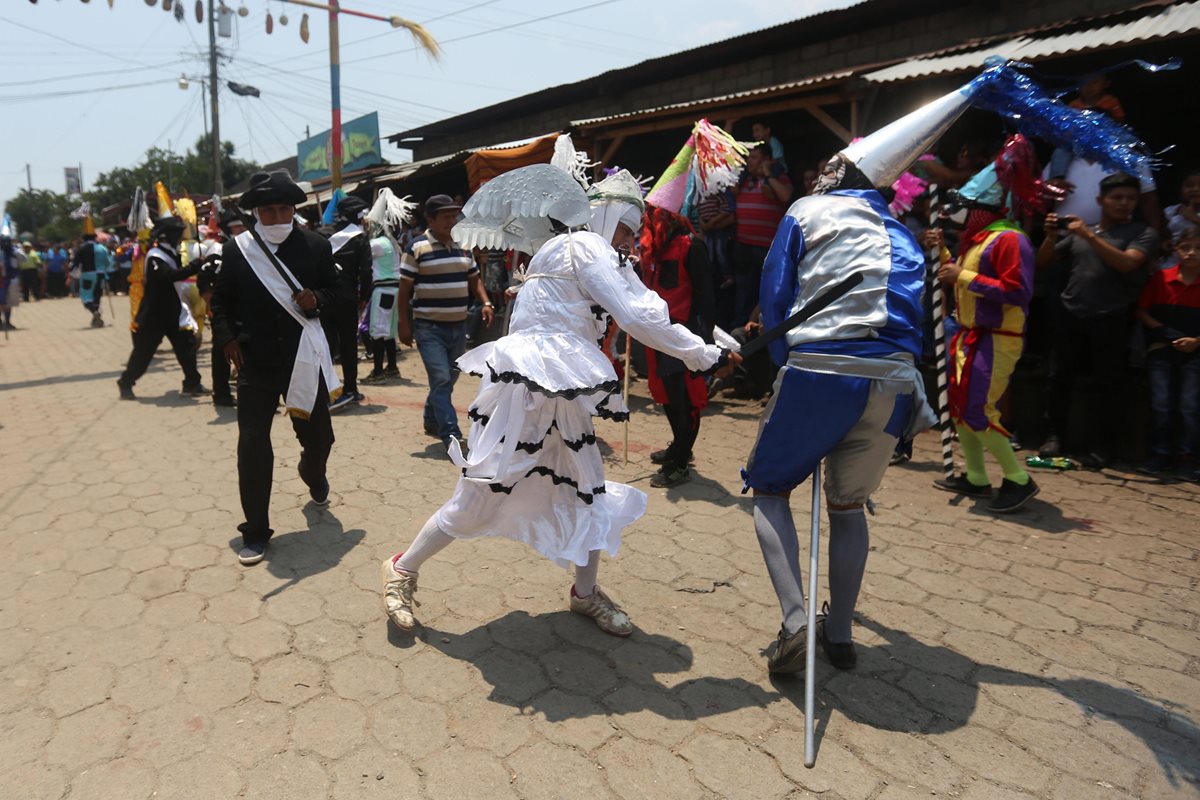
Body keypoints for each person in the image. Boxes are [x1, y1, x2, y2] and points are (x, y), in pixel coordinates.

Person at [380, 164, 736, 637]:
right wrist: (701, 354)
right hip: (526, 394)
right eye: (628, 229)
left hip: (559, 393)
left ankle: (584, 594)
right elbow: (636, 313)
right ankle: (401, 569)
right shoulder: (585, 245)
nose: (631, 242)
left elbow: (633, 308)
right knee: (481, 494)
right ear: (607, 216)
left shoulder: (571, 246)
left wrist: (702, 344)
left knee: (585, 489)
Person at [210, 170, 342, 565]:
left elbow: (342, 294)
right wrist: (227, 339)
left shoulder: (317, 247)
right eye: (268, 210)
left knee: (320, 440)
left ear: (294, 210)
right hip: (256, 361)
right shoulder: (238, 250)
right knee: (252, 444)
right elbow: (220, 304)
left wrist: (315, 298)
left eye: (284, 209)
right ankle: (255, 530)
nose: (277, 217)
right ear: (256, 213)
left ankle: (313, 473)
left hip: (304, 359)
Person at [931, 135, 1043, 512]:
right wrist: (941, 251)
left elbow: (1017, 292)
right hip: (968, 336)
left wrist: (960, 275)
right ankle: (977, 478)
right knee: (963, 410)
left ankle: (1018, 479)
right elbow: (959, 272)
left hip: (996, 338)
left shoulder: (1011, 240)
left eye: (965, 205)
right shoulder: (978, 241)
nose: (957, 211)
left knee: (979, 411)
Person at [1037, 172, 1159, 468]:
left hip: (1111, 317)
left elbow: (1128, 263)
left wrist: (1089, 236)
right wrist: (1051, 238)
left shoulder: (1142, 233)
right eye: (1116, 198)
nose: (1124, 203)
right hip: (1071, 313)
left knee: (1109, 383)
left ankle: (1103, 446)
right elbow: (1042, 262)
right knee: (1059, 377)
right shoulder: (1082, 232)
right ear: (1100, 200)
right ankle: (1053, 436)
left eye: (1130, 198)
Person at [398, 194, 494, 448]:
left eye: (454, 216)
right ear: (431, 219)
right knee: (441, 378)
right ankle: (449, 432)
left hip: (458, 325)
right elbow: (404, 289)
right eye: (446, 216)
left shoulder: (463, 246)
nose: (452, 221)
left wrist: (485, 302)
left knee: (449, 377)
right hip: (428, 327)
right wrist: (403, 324)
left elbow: (474, 278)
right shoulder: (416, 247)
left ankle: (431, 416)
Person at [640, 203, 717, 488]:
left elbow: (706, 295)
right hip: (659, 332)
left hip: (685, 335)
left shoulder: (691, 245)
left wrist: (704, 341)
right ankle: (679, 446)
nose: (650, 220)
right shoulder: (656, 248)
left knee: (686, 397)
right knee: (666, 394)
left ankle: (682, 461)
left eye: (654, 215)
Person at [116, 214, 209, 400]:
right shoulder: (155, 256)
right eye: (177, 233)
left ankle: (192, 382)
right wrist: (194, 267)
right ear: (168, 236)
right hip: (154, 315)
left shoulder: (171, 253)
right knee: (143, 353)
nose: (181, 237)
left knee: (187, 348)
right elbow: (168, 276)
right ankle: (126, 382)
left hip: (174, 312)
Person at [1135, 226, 1200, 480]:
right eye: (1186, 247)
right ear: (1176, 249)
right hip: (1161, 348)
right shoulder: (1162, 278)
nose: (1192, 253)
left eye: (1198, 248)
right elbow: (1141, 311)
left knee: (1189, 406)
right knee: (1161, 404)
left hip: (1196, 353)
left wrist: (1196, 341)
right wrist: (1164, 332)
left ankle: (1188, 457)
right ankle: (1159, 454)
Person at [732, 143, 792, 326]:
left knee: (765, 291)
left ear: (766, 160)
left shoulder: (778, 179)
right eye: (749, 158)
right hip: (743, 246)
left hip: (767, 248)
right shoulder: (745, 180)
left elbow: (786, 197)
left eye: (755, 157)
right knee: (742, 292)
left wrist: (768, 173)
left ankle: (762, 332)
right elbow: (730, 189)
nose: (750, 161)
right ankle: (740, 332)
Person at [360, 189, 414, 385]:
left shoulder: (377, 243)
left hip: (383, 290)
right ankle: (391, 367)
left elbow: (363, 256)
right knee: (389, 332)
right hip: (393, 290)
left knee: (377, 331)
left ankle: (378, 371)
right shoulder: (391, 243)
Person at [324, 194, 372, 412]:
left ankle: (326, 388)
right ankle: (350, 388)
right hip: (347, 299)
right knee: (348, 345)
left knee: (325, 345)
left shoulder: (323, 235)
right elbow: (366, 271)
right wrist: (364, 297)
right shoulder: (360, 238)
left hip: (323, 298)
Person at [72, 226, 111, 328]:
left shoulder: (82, 249)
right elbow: (107, 263)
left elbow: (75, 264)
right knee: (97, 296)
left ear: (84, 239)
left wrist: (71, 275)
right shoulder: (102, 248)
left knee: (86, 297)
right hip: (101, 275)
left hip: (87, 275)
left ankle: (94, 312)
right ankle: (96, 318)